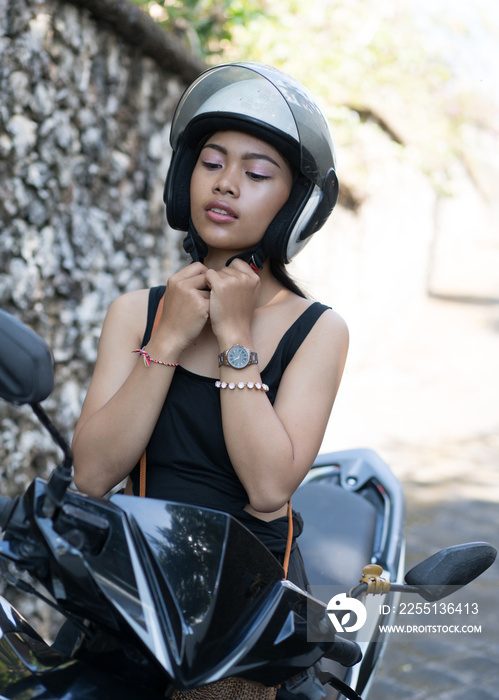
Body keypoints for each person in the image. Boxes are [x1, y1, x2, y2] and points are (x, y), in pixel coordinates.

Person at [72, 62, 349, 698]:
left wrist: (235, 339)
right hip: (137, 588)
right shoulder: (135, 314)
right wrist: (165, 340)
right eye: (211, 162)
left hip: (243, 612)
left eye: (255, 174)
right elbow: (91, 475)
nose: (225, 185)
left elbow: (268, 487)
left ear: (294, 205)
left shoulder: (318, 331)